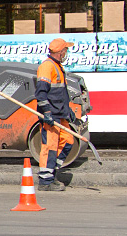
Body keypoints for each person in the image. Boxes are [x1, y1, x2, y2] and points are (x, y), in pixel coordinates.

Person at [35, 38, 77, 192]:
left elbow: (59, 93)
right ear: (60, 52)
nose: (67, 52)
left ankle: (52, 170)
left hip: (59, 113)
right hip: (51, 116)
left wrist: (68, 111)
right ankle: (45, 181)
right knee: (50, 147)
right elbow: (41, 93)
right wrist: (46, 112)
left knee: (68, 141)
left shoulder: (57, 67)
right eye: (65, 49)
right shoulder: (47, 67)